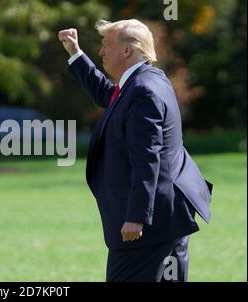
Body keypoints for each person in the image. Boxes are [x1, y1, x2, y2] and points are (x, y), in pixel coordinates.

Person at [58, 19, 213, 282]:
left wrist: (137, 217)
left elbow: (147, 158)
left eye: (106, 45)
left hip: (148, 227)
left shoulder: (143, 91)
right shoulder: (149, 80)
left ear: (128, 50)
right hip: (169, 217)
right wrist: (76, 53)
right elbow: (108, 96)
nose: (101, 51)